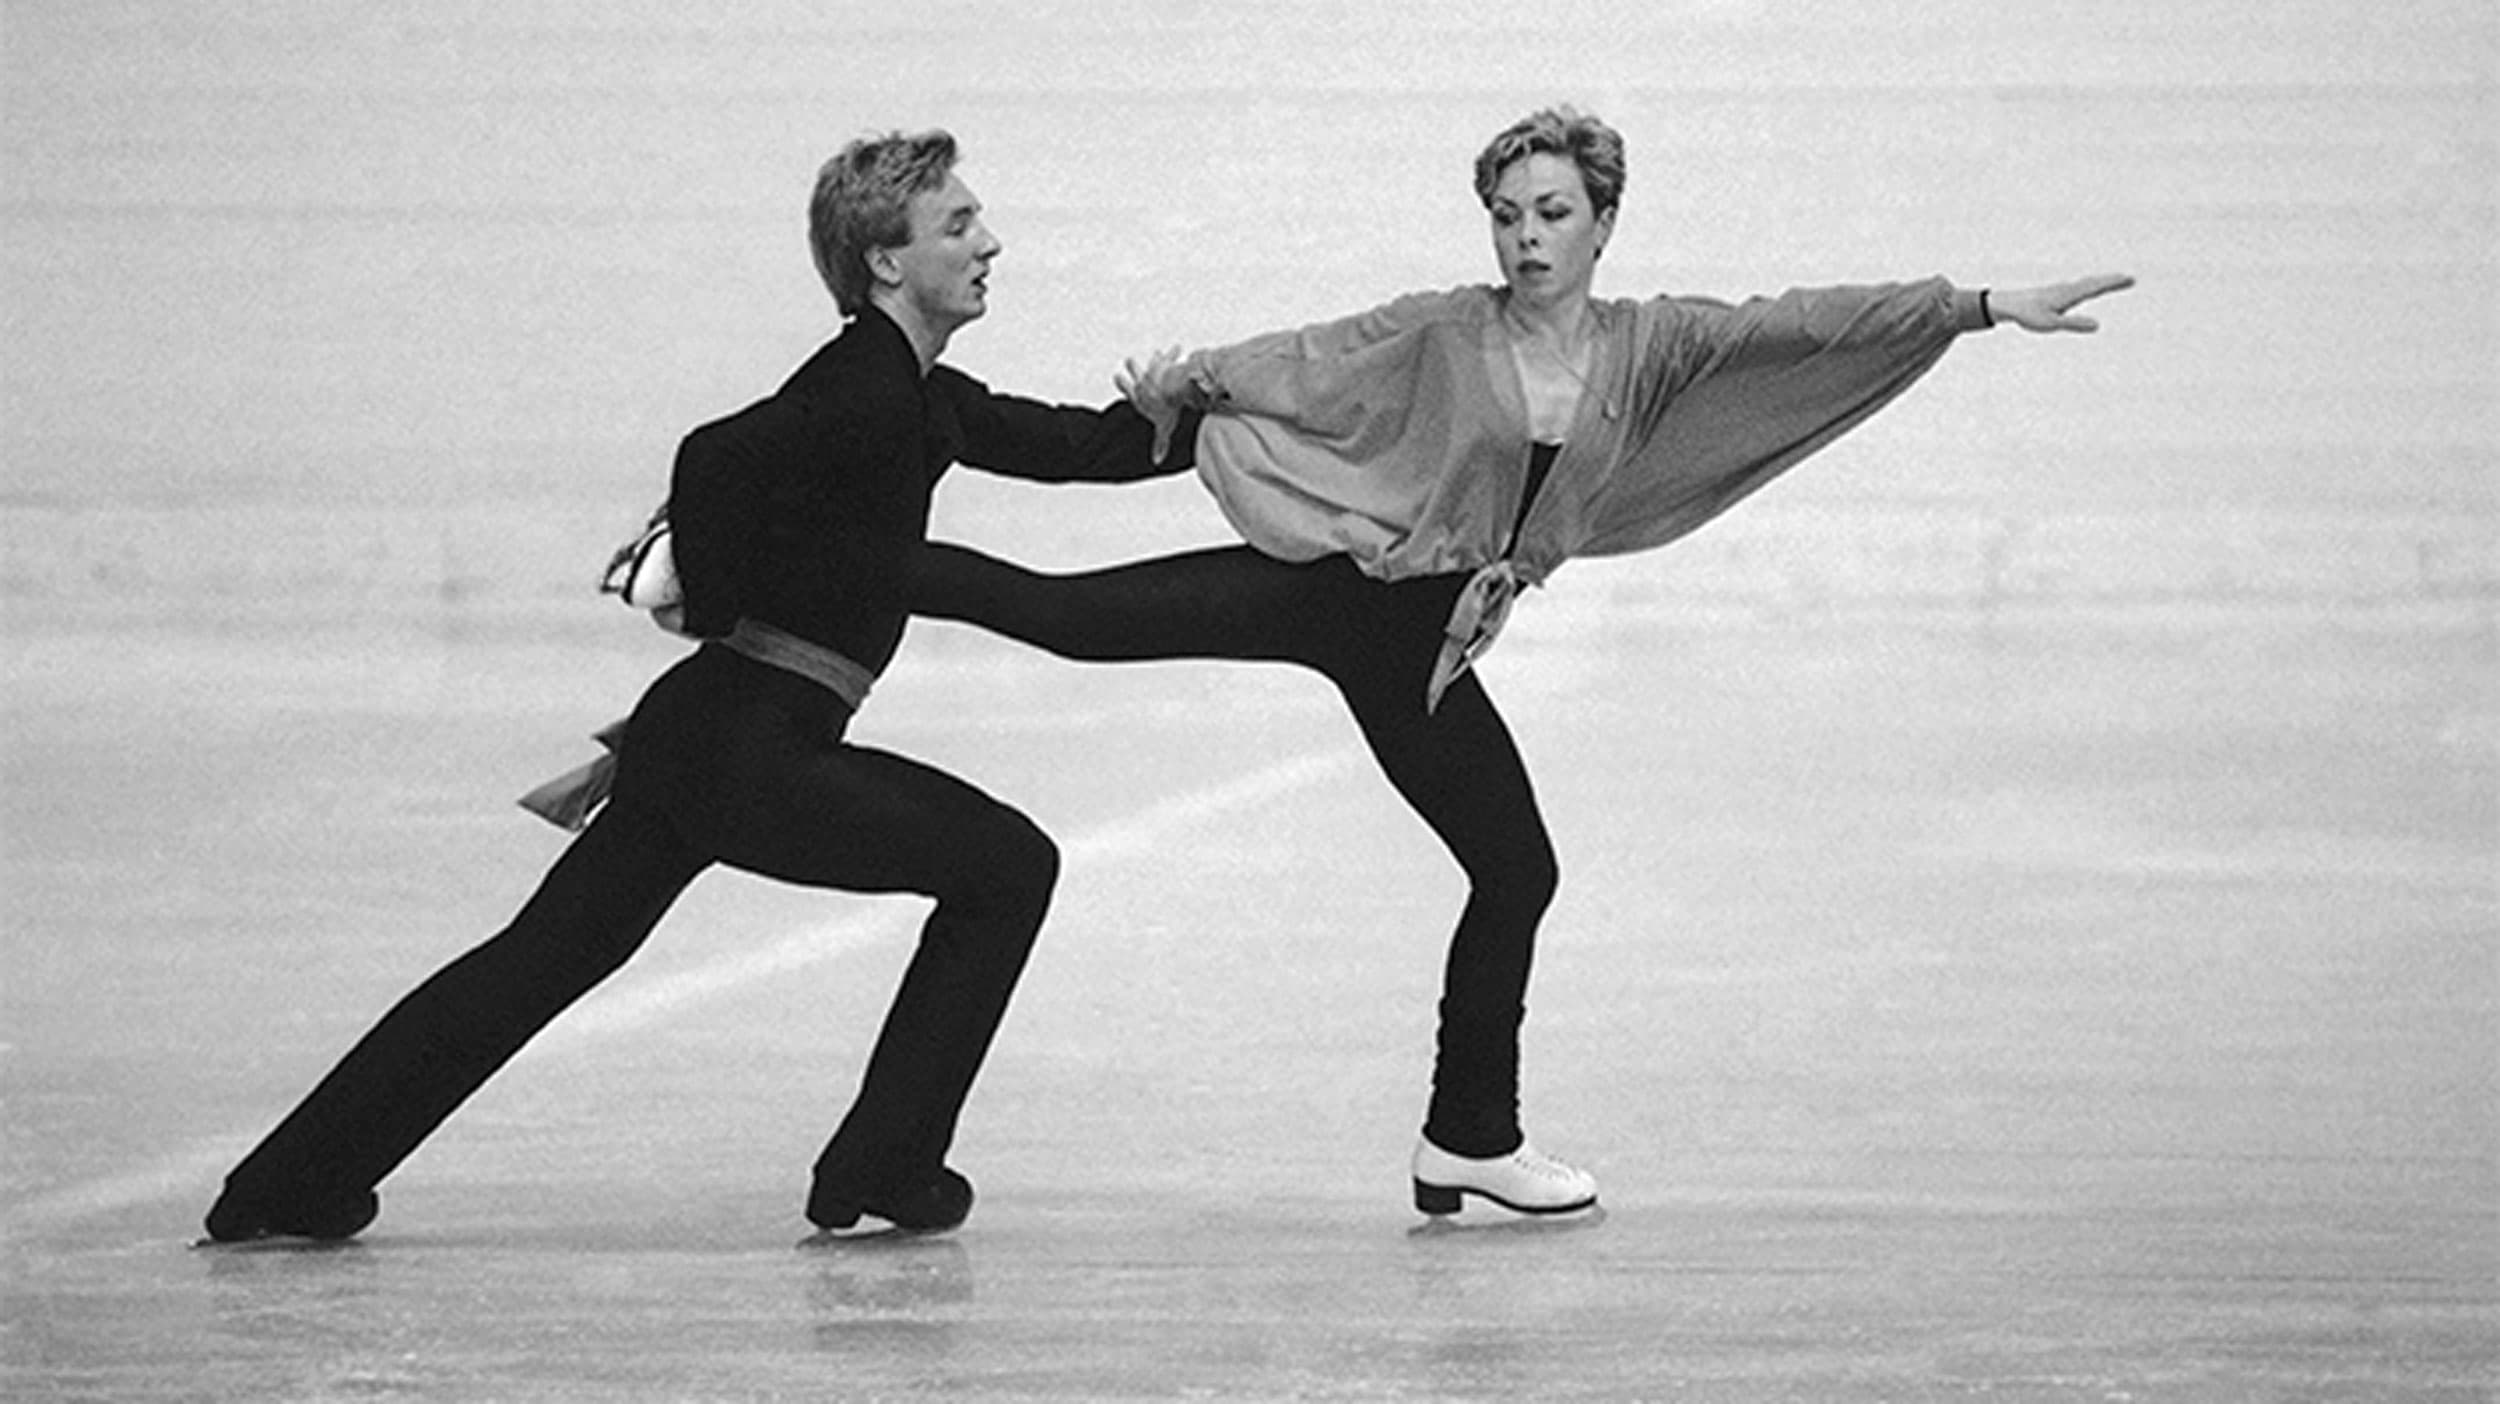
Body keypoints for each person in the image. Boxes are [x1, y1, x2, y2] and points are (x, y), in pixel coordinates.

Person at [910, 106, 2133, 1219]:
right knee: (1064, 615)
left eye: (1552, 214)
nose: (1525, 239)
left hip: (1419, 653)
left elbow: (1797, 322)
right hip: (1338, 587)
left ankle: (1467, 1137)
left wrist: (1973, 305)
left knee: (1514, 870)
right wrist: (1195, 378)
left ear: (1604, 223)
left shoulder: (1651, 347)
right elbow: (1324, 354)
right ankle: (842, 566)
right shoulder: (1450, 326)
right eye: (1506, 216)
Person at [201, 129, 1192, 1245]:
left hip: (718, 735)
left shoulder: (921, 395)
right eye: (958, 225)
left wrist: (1219, 407)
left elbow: (1084, 447)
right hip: (750, 744)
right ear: (882, 263)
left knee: (535, 965)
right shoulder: (860, 392)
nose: (989, 241)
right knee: (1008, 867)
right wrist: (716, 591)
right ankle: (887, 1161)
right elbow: (713, 456)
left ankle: (287, 1183)